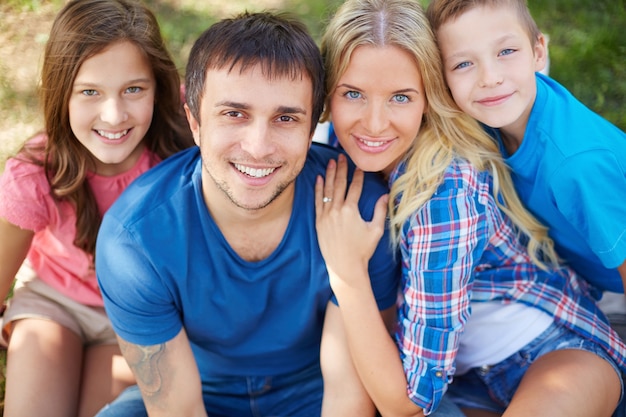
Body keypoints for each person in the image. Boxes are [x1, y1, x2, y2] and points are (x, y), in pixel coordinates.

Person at [315, 0, 626, 415]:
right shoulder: (337, 138)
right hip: (458, 378)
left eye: (402, 97)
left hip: (552, 349)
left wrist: (346, 272)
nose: (373, 123)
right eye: (352, 93)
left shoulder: (445, 191)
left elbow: (407, 402)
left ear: (431, 95)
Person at [94, 11, 400, 417]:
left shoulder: (357, 208)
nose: (258, 147)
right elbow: (178, 409)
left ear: (312, 128)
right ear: (194, 120)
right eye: (234, 114)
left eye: (286, 118)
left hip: (318, 391)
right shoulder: (134, 240)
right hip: (201, 390)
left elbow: (348, 395)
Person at [0, 0, 195, 416]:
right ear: (60, 94)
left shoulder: (184, 139)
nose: (113, 114)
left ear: (159, 87)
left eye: (133, 89)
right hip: (56, 304)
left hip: (139, 310)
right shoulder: (35, 174)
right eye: (90, 91)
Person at [425, 0, 626, 297]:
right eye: (463, 63)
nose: (490, 78)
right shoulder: (490, 115)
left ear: (538, 52)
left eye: (506, 52)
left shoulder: (576, 166)